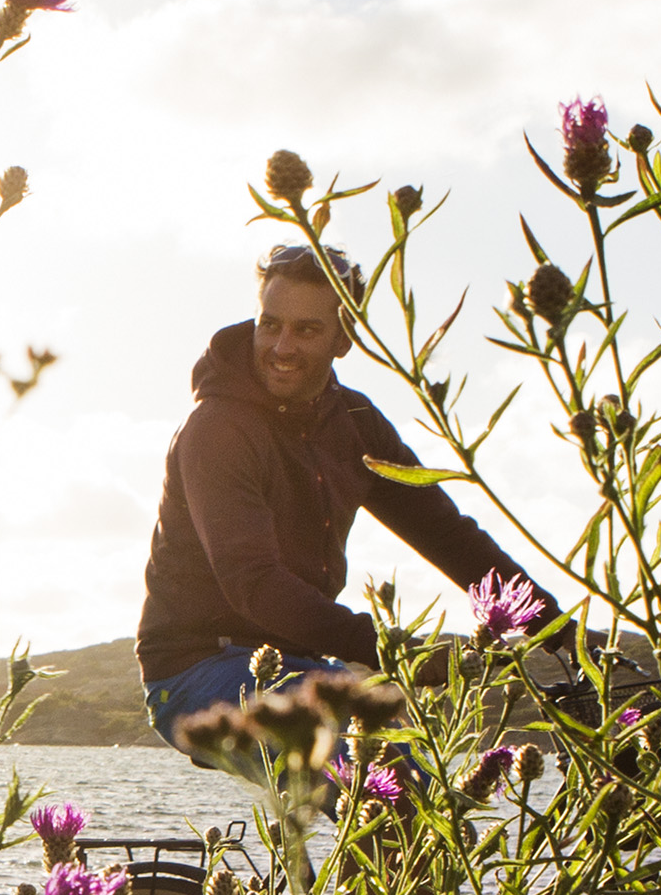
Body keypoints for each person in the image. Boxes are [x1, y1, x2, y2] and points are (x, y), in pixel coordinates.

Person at [137, 243, 555, 756]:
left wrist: (554, 629)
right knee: (379, 769)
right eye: (270, 324)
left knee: (412, 777)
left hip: (300, 662)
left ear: (345, 338)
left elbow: (445, 533)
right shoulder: (218, 429)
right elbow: (254, 583)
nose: (281, 346)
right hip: (196, 670)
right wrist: (400, 655)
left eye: (306, 330)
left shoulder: (354, 421)